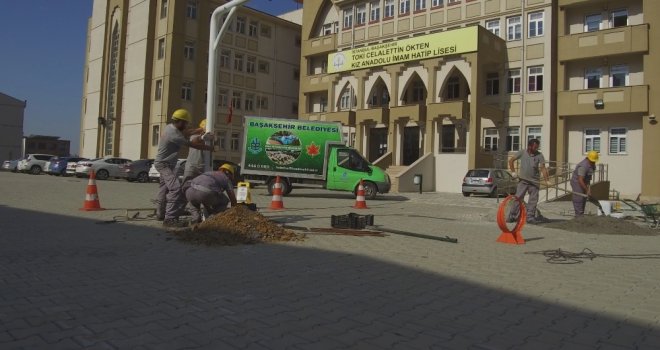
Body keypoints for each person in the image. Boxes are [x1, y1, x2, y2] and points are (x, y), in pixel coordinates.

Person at [155, 109, 213, 227]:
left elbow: (186, 133)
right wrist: (210, 148)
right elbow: (192, 143)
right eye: (186, 123)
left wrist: (201, 130)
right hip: (164, 165)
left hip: (166, 164)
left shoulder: (170, 127)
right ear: (181, 122)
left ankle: (161, 213)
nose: (187, 125)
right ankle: (170, 218)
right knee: (176, 188)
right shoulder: (174, 135)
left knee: (164, 189)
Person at [508, 138, 550, 224]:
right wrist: (513, 172)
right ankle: (512, 215)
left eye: (537, 147)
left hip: (534, 182)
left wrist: (547, 180)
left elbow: (543, 168)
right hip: (523, 180)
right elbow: (511, 160)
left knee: (533, 200)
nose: (536, 149)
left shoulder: (539, 155)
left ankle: (530, 217)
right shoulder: (522, 152)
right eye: (535, 147)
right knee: (518, 198)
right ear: (529, 146)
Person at [571, 150, 598, 216]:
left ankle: (581, 213)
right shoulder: (583, 166)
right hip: (577, 182)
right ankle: (578, 215)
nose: (593, 162)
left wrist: (588, 189)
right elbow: (580, 180)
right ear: (588, 158)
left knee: (584, 197)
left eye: (594, 160)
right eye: (592, 160)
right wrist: (587, 190)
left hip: (585, 181)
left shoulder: (592, 165)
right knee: (579, 197)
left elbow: (589, 177)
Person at [183, 119, 208, 183]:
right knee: (185, 186)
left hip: (203, 168)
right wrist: (201, 133)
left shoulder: (209, 140)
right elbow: (195, 140)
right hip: (191, 166)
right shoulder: (194, 136)